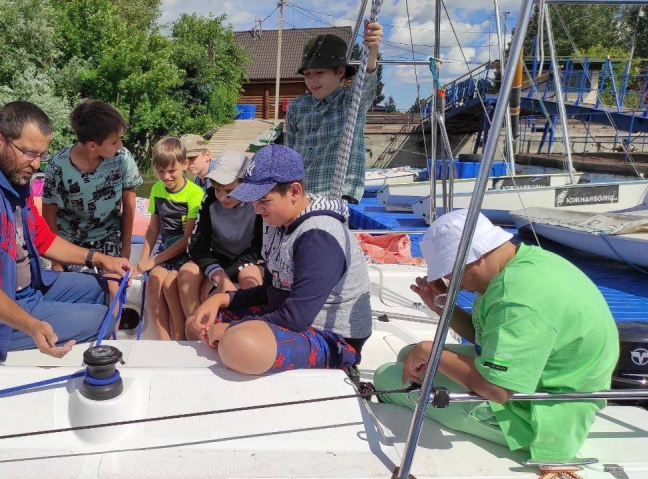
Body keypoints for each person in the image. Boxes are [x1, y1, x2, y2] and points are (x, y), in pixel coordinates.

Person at [373, 209, 619, 462]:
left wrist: (430, 351)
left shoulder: (517, 299)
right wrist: (441, 305)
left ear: (474, 258)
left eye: (450, 273)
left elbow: (497, 388)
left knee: (388, 377)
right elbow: (488, 337)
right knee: (407, 355)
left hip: (540, 417)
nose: (452, 281)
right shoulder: (528, 263)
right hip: (539, 378)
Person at [0, 101, 132, 360]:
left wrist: (100, 259)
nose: (36, 165)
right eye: (29, 153)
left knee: (104, 287)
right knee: (104, 319)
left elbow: (43, 238)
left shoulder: (11, 178)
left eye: (42, 155)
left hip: (28, 289)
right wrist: (30, 324)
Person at [189, 144, 372, 374]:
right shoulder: (280, 224)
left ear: (295, 191)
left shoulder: (318, 236)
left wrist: (231, 328)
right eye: (254, 201)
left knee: (237, 344)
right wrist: (223, 299)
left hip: (332, 337)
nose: (257, 210)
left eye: (263, 201)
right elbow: (270, 289)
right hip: (288, 316)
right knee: (198, 324)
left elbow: (297, 316)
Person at [284, 24, 383, 204]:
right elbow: (289, 153)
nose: (312, 80)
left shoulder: (351, 103)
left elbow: (366, 81)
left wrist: (372, 49)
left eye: (319, 72)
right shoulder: (297, 106)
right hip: (300, 195)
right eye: (307, 74)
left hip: (337, 195)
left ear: (340, 72)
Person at [41, 100, 142, 268]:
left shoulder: (123, 158)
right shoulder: (58, 167)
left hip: (109, 236)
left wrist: (126, 251)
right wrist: (56, 262)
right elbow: (49, 214)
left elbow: (129, 206)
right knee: (70, 289)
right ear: (93, 145)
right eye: (114, 141)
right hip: (70, 241)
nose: (121, 145)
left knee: (113, 287)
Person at [178, 150, 264, 339]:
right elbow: (196, 245)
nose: (222, 196)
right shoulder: (209, 199)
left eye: (229, 190)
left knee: (249, 275)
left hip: (249, 260)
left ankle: (247, 332)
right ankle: (196, 329)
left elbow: (259, 249)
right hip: (218, 257)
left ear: (245, 184)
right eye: (218, 189)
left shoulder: (257, 205)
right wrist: (218, 275)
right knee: (187, 273)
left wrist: (226, 276)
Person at [137, 137, 204, 340]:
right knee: (155, 281)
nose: (166, 176)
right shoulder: (157, 189)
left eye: (172, 171)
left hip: (187, 252)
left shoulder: (195, 194)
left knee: (170, 285)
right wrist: (143, 259)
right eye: (160, 171)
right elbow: (153, 228)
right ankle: (163, 341)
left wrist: (153, 260)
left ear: (184, 165)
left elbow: (187, 238)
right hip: (166, 250)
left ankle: (179, 338)